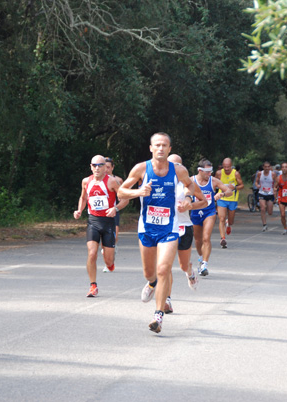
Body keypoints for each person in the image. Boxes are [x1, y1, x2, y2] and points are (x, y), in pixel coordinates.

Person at [118, 132, 205, 334]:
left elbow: (191, 186)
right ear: (151, 148)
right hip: (147, 228)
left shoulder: (178, 170)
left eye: (164, 145)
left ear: (169, 149)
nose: (160, 148)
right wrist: (138, 192)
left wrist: (188, 200)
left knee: (164, 268)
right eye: (157, 145)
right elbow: (121, 192)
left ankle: (158, 315)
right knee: (150, 273)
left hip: (169, 228)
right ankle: (152, 283)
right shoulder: (141, 169)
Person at [73, 155, 128, 296]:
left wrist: (115, 208)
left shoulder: (112, 182)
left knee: (108, 261)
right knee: (92, 253)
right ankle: (93, 285)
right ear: (91, 166)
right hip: (93, 221)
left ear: (105, 167)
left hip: (108, 222)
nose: (97, 168)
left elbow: (125, 199)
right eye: (94, 165)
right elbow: (83, 197)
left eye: (100, 165)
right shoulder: (86, 181)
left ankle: (110, 263)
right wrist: (79, 210)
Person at [164, 154, 207, 314]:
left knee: (182, 265)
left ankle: (189, 272)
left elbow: (204, 202)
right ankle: (167, 300)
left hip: (184, 227)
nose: (174, 167)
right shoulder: (161, 181)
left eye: (177, 164)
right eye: (171, 164)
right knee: (165, 265)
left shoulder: (188, 184)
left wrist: (189, 206)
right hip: (166, 227)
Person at [190, 158, 233, 276]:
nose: (210, 174)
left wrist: (222, 193)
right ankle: (200, 257)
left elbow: (230, 191)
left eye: (211, 171)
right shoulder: (191, 180)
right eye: (207, 172)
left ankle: (204, 264)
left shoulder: (213, 181)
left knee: (206, 238)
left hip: (209, 212)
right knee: (198, 240)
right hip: (195, 212)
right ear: (200, 170)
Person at [214, 158, 244, 249]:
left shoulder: (236, 174)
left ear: (231, 166)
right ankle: (223, 239)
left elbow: (242, 185)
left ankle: (228, 223)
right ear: (222, 166)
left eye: (228, 167)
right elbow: (213, 183)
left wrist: (234, 187)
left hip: (232, 199)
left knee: (231, 221)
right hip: (222, 198)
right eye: (225, 167)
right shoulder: (219, 173)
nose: (226, 169)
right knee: (221, 218)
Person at [103, 157, 124, 271]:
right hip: (101, 213)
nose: (105, 169)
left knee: (114, 234)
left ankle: (112, 250)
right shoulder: (98, 180)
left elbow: (122, 195)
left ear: (112, 168)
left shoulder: (118, 180)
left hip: (113, 210)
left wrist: (119, 204)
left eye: (108, 167)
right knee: (104, 239)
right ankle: (107, 261)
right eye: (104, 167)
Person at [255, 161, 276, 232]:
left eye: (268, 167)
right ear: (263, 167)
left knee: (270, 212)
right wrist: (257, 185)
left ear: (270, 167)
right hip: (262, 193)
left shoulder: (272, 174)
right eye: (265, 167)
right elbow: (256, 181)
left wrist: (275, 189)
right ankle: (264, 224)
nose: (267, 168)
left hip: (270, 193)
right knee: (263, 208)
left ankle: (268, 207)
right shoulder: (260, 173)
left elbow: (276, 183)